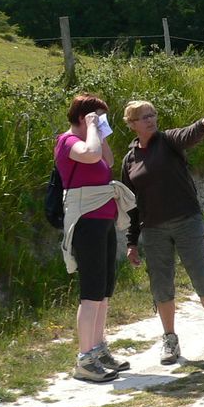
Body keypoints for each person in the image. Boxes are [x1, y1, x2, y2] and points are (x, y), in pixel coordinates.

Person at [120, 101, 204, 365]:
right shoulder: (129, 160)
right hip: (153, 230)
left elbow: (188, 134)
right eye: (143, 117)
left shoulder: (168, 141)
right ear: (132, 124)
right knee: (161, 285)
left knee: (201, 277)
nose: (150, 120)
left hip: (187, 221)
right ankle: (170, 339)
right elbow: (131, 204)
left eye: (153, 114)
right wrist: (132, 242)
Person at [56, 94, 135, 383]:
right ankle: (84, 359)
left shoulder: (92, 139)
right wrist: (91, 127)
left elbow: (107, 158)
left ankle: (99, 350)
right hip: (86, 222)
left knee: (103, 292)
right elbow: (90, 155)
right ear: (82, 118)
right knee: (90, 293)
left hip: (102, 220)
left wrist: (100, 132)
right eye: (98, 118)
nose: (102, 123)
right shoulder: (68, 142)